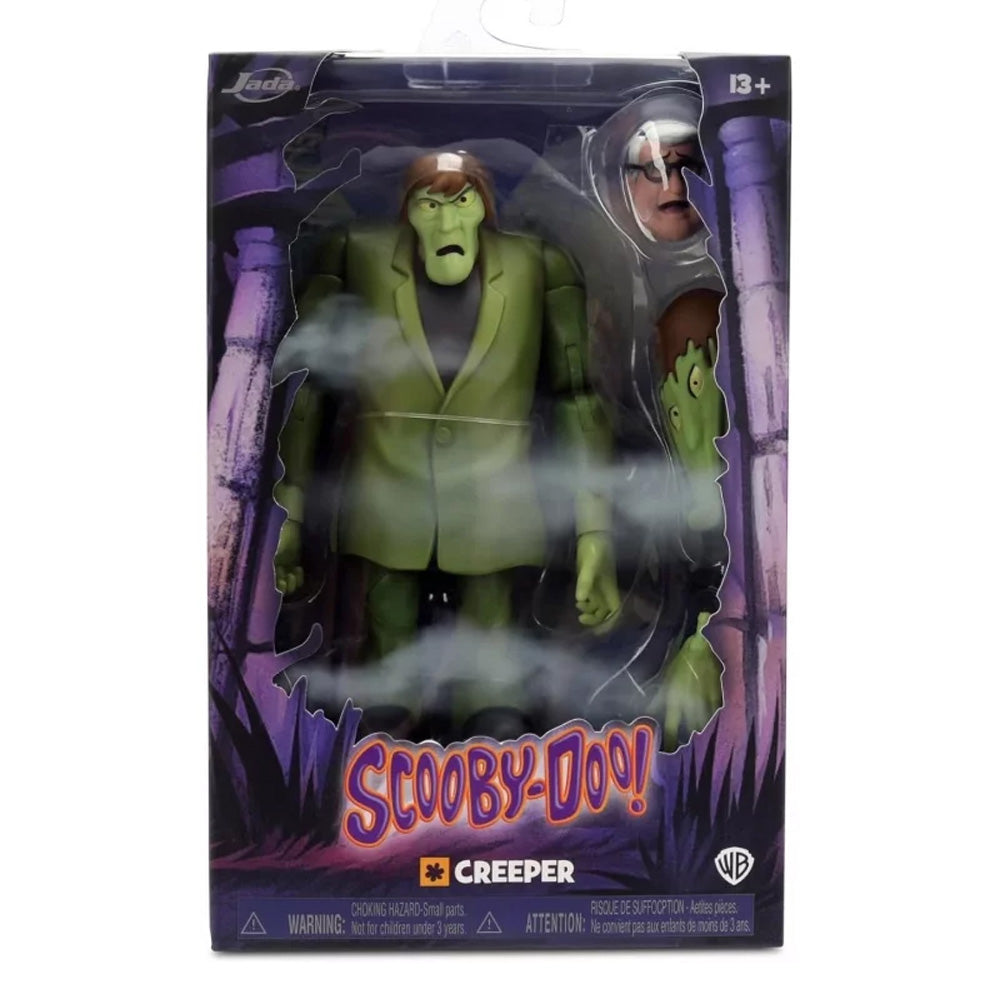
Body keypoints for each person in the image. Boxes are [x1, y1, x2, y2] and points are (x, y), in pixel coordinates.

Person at [272, 151, 620, 740]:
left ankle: (491, 741)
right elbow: (306, 390)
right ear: (406, 212)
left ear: (485, 206)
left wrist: (595, 534)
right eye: (429, 205)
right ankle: (384, 743)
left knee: (495, 678)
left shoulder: (540, 263)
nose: (447, 222)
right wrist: (290, 515)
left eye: (462, 202)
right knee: (385, 660)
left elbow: (578, 398)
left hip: (497, 510)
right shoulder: (353, 253)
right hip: (387, 507)